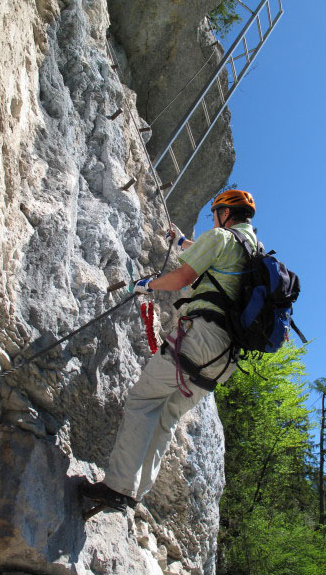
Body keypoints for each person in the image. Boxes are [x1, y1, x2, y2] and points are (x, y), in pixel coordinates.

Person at [80, 190, 259, 511]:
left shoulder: (220, 236)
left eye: (215, 213)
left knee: (143, 401)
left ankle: (118, 487)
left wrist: (148, 285)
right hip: (226, 359)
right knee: (167, 416)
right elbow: (215, 260)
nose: (214, 219)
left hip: (201, 337)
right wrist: (182, 243)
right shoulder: (254, 252)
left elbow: (180, 279)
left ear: (224, 213)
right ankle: (133, 492)